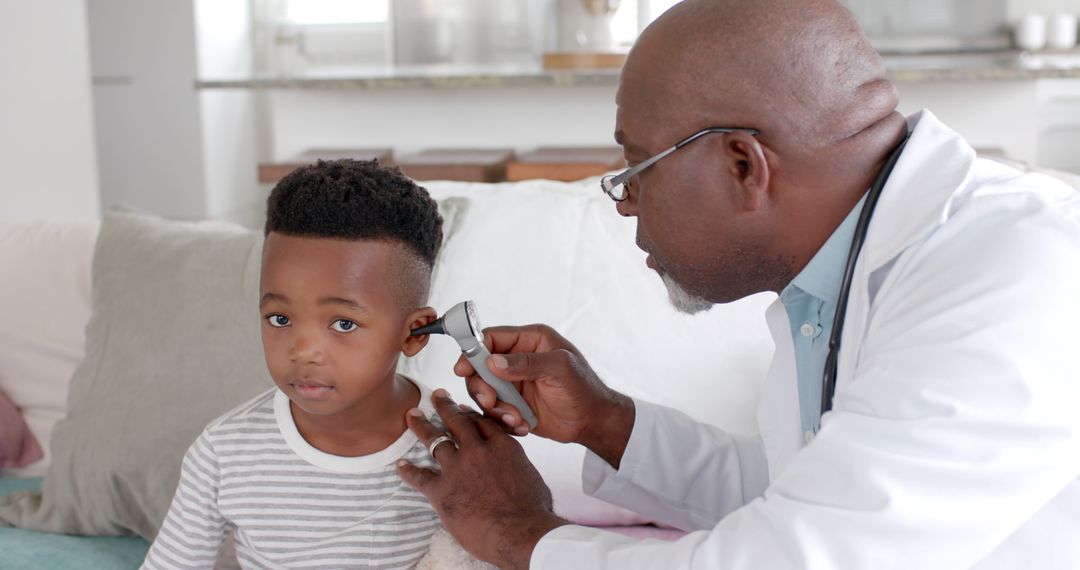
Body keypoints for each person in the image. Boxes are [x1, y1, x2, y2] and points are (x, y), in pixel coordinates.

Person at [395, 0, 1080, 568]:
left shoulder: (1012, 271)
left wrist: (519, 535)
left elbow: (801, 557)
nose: (624, 202)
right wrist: (606, 422)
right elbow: (797, 491)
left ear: (743, 165)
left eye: (636, 170)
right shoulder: (838, 273)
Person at [143, 160, 465, 568]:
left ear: (414, 333)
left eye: (344, 323)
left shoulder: (458, 450)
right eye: (280, 319)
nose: (303, 350)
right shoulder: (224, 452)